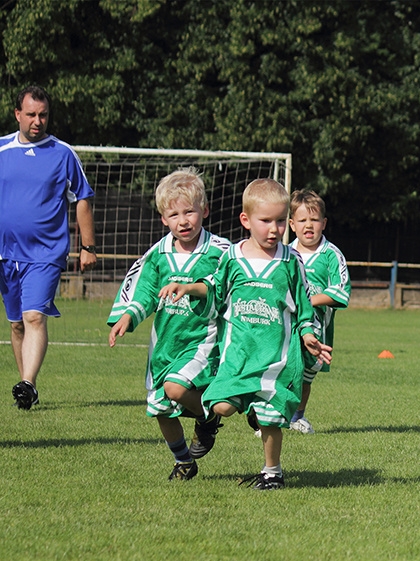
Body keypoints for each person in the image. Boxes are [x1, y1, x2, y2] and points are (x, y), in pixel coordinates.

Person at [160, 179, 332, 490]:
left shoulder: (291, 262)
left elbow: (304, 306)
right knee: (221, 407)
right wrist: (188, 287)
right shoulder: (232, 258)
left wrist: (307, 334)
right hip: (237, 355)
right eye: (265, 221)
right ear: (246, 220)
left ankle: (273, 473)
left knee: (268, 419)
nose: (275, 229)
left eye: (281, 221)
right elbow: (212, 288)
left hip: (273, 358)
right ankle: (225, 418)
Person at [107, 168, 230, 480]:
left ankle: (206, 418)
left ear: (205, 211)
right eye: (174, 214)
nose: (183, 221)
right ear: (163, 218)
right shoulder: (158, 254)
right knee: (160, 408)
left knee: (174, 388)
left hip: (202, 339)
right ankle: (184, 463)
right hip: (164, 344)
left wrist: (193, 288)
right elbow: (144, 291)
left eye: (190, 212)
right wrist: (127, 316)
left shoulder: (220, 251)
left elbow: (228, 286)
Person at [0, 85, 96, 410]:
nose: (38, 121)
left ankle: (26, 382)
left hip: (45, 254)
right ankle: (29, 386)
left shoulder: (63, 153)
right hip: (5, 254)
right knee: (16, 323)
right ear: (17, 115)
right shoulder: (1, 149)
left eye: (43, 115)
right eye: (31, 114)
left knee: (34, 317)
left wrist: (88, 246)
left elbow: (82, 197)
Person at [287, 189, 351, 435]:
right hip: (286, 325)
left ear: (324, 223)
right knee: (282, 368)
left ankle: (297, 417)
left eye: (314, 220)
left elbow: (341, 291)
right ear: (292, 224)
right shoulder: (285, 254)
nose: (308, 225)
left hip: (316, 327)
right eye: (302, 220)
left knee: (305, 374)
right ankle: (273, 418)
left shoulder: (331, 255)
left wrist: (308, 301)